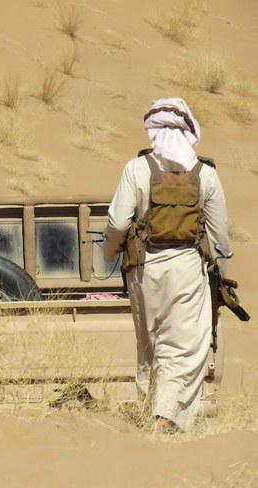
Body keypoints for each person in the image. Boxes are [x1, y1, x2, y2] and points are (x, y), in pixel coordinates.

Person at [104, 97, 230, 433]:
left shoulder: (137, 168)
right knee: (186, 346)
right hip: (188, 269)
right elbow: (219, 238)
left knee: (148, 345)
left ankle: (151, 412)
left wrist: (109, 253)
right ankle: (168, 416)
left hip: (143, 270)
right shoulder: (206, 174)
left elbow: (117, 222)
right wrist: (222, 276)